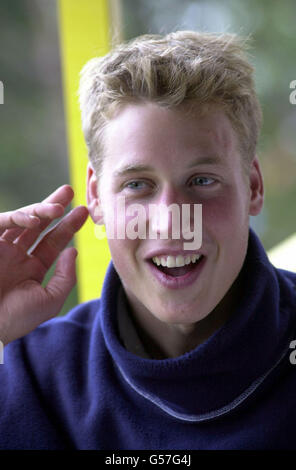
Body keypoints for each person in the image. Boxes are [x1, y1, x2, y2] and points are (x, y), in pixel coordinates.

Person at [0, 30, 295, 450]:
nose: (170, 223)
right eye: (138, 184)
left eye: (202, 181)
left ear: (253, 186)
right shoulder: (26, 368)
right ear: (97, 197)